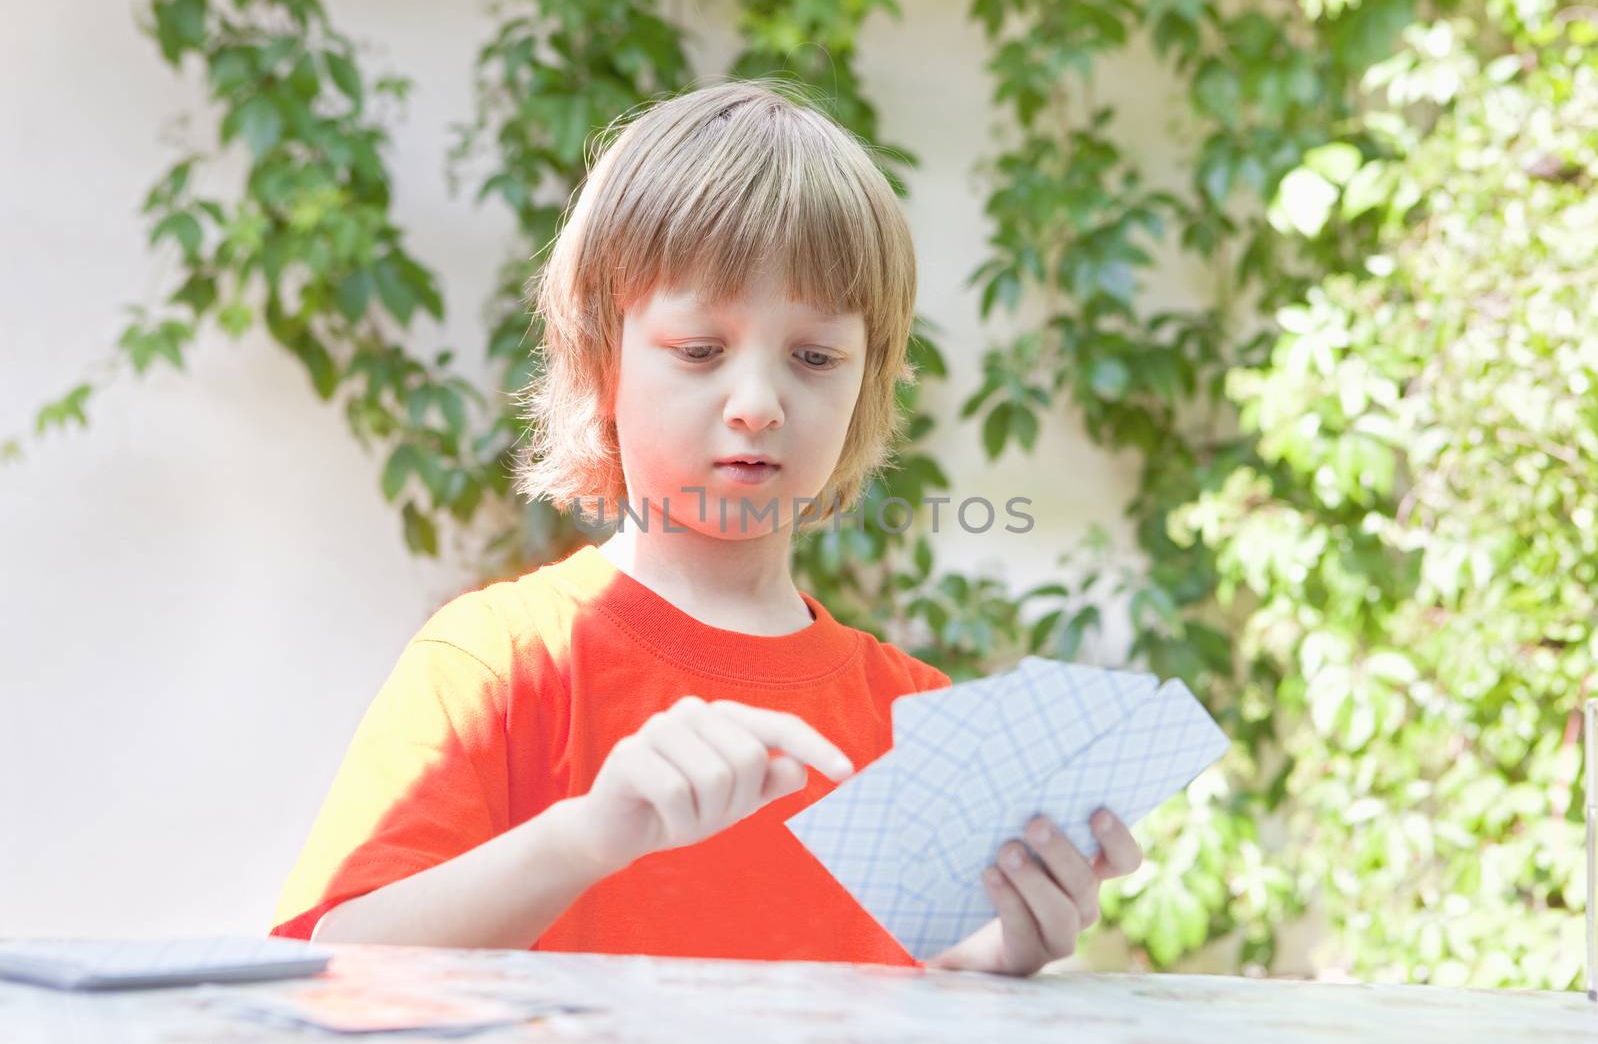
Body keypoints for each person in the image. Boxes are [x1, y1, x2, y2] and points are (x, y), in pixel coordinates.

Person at [267, 77, 1144, 976]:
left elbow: (918, 988)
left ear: (865, 383)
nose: (759, 403)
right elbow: (334, 965)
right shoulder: (498, 661)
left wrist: (1001, 952)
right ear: (602, 360)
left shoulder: (914, 715)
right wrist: (587, 837)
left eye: (814, 357)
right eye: (700, 351)